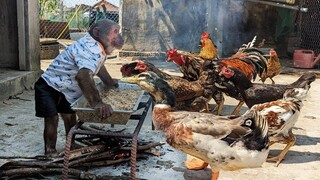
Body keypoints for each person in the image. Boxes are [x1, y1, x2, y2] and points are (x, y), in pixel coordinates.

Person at [34, 19, 124, 157]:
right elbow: (83, 77)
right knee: (52, 118)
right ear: (97, 32)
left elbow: (98, 67)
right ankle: (50, 150)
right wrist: (97, 103)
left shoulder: (98, 47)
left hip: (66, 88)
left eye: (118, 31)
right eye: (114, 32)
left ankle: (71, 143)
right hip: (48, 86)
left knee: (70, 116)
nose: (118, 36)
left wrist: (110, 83)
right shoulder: (88, 48)